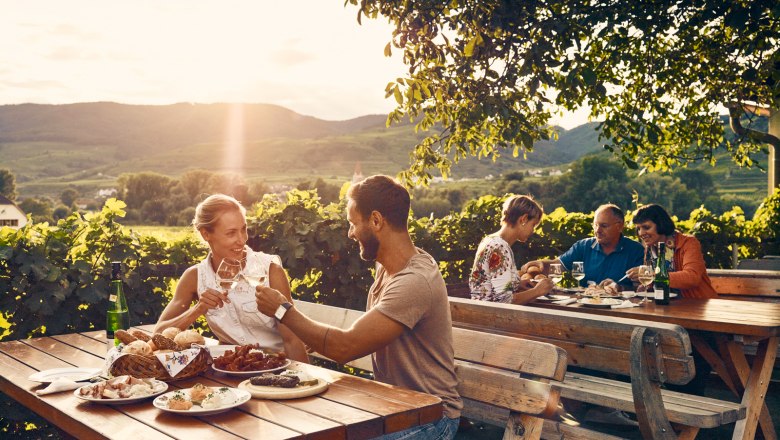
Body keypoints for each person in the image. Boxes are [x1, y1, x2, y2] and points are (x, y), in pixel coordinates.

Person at [255, 175, 462, 439]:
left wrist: (282, 310)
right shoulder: (387, 267)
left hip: (432, 417)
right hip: (394, 406)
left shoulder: (414, 281)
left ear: (376, 220)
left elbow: (345, 347)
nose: (350, 233)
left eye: (353, 223)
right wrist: (310, 338)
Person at [154, 194, 308, 362]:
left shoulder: (269, 270)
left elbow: (292, 340)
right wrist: (198, 309)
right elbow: (158, 334)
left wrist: (306, 380)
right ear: (206, 234)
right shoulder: (194, 277)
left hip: (276, 366)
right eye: (231, 233)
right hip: (231, 369)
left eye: (244, 229)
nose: (241, 240)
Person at [522, 204, 644, 289]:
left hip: (622, 311)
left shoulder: (636, 250)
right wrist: (541, 264)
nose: (598, 230)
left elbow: (641, 289)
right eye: (595, 225)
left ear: (619, 226)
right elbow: (558, 265)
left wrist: (619, 288)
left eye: (604, 226)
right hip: (587, 306)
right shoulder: (583, 246)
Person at [468, 195, 554, 304]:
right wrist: (537, 291)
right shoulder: (500, 247)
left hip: (481, 311)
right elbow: (503, 301)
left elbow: (490, 284)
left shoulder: (490, 240)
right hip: (489, 316)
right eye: (533, 225)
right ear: (523, 219)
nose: (533, 230)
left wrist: (518, 284)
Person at [626, 203, 717, 298]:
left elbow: (692, 277)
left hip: (695, 305)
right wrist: (641, 287)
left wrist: (651, 276)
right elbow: (653, 284)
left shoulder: (688, 243)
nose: (641, 233)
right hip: (667, 306)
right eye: (638, 228)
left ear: (661, 224)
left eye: (646, 227)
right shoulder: (650, 249)